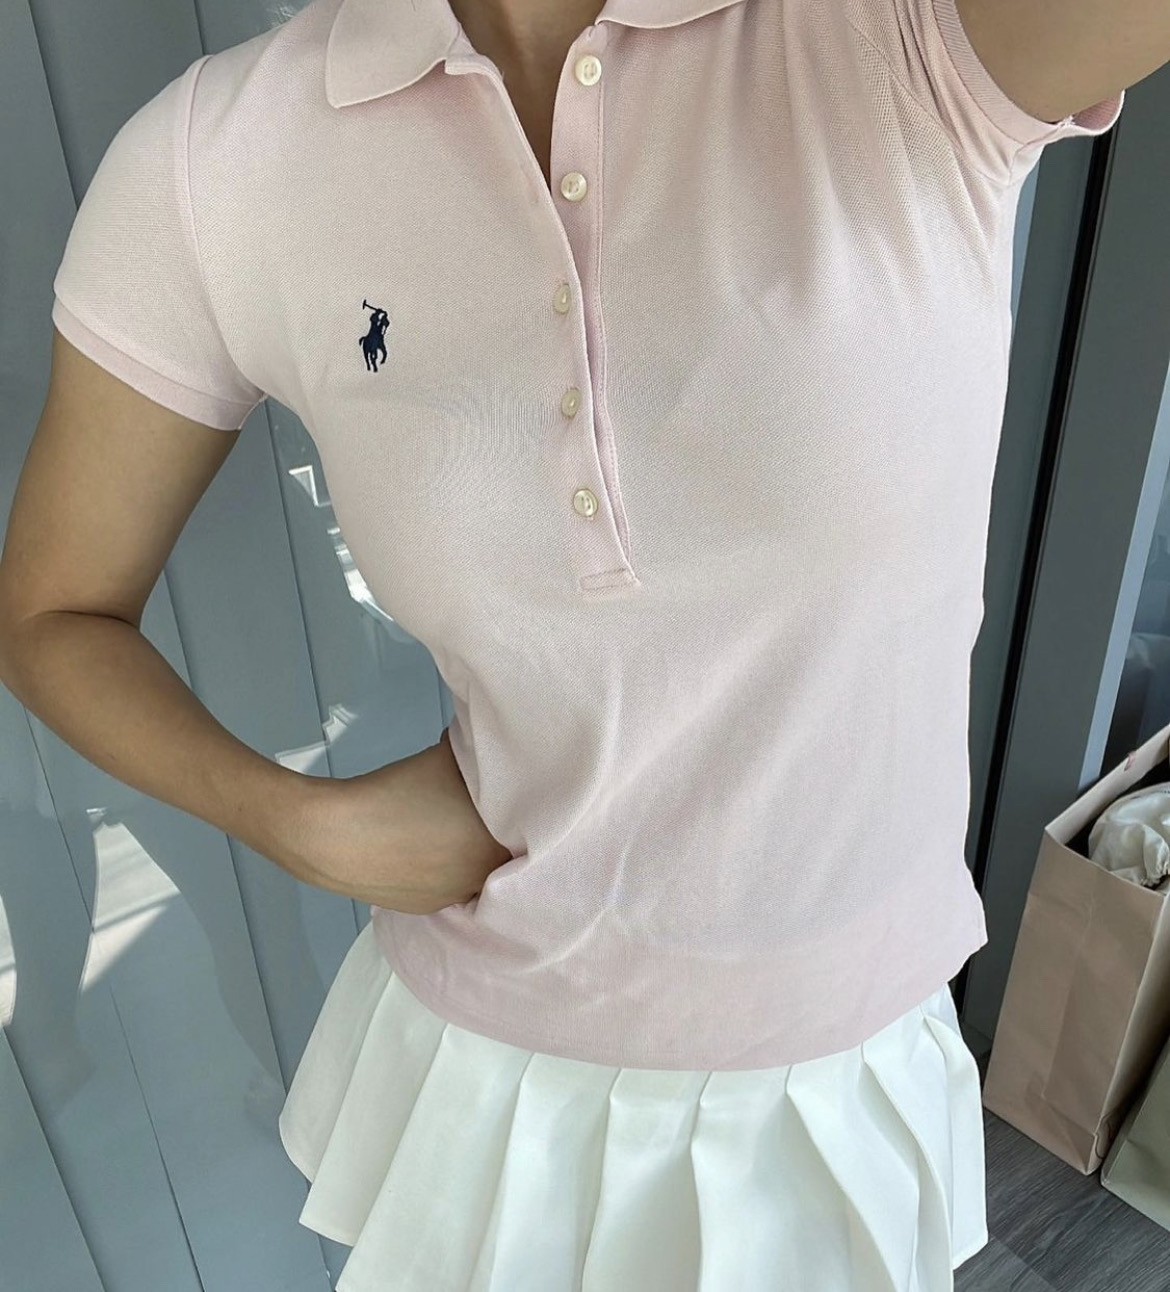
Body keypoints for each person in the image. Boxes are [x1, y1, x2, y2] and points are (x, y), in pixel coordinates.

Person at [0, 0, 1133, 1287]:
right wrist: (300, 825)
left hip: (837, 1072)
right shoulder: (218, 162)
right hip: (491, 1079)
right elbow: (52, 612)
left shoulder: (899, 33)